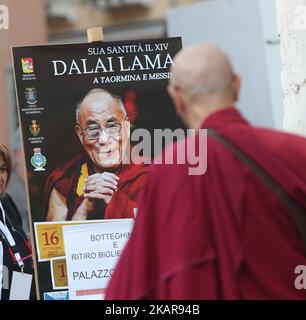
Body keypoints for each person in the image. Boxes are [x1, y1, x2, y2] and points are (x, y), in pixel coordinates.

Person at [105, 44, 306, 299]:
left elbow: (127, 293)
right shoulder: (295, 151)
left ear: (177, 98)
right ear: (236, 85)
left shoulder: (171, 169)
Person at [44, 88, 148, 221]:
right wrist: (84, 208)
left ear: (127, 127)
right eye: (92, 129)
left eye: (112, 126)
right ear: (80, 135)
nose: (103, 139)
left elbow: (162, 228)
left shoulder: (151, 175)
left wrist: (113, 200)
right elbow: (56, 240)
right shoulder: (66, 181)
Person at [0, 143, 35, 300]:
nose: (0, 177)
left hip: (22, 290)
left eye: (2, 169)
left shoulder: (6, 203)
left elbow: (16, 240)